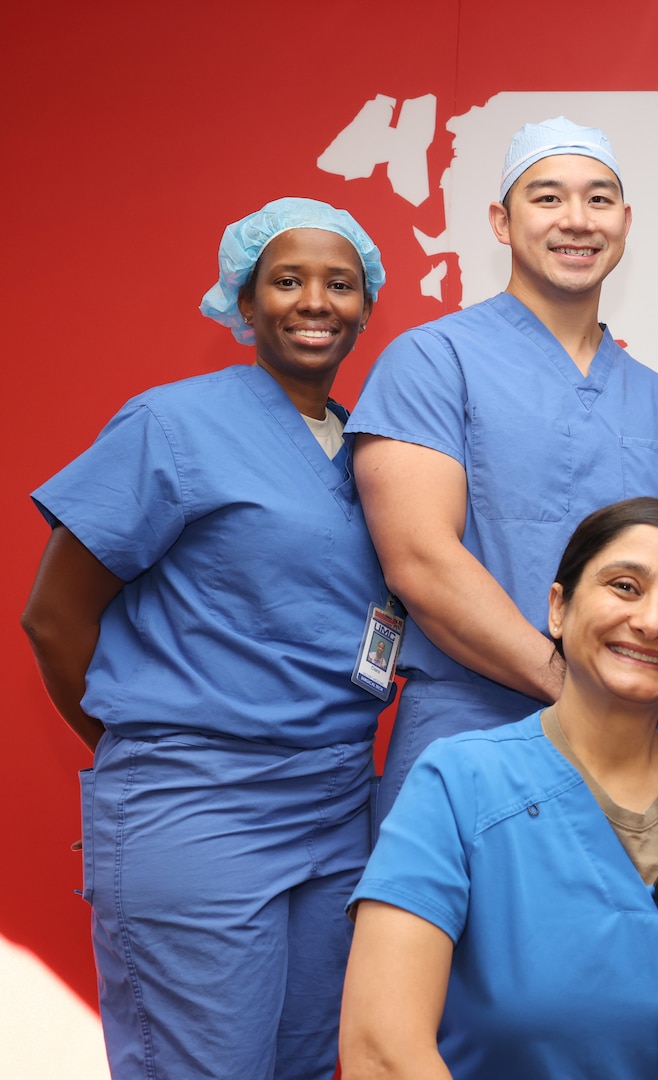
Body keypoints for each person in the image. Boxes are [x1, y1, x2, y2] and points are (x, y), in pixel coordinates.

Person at [21, 198, 388, 1079]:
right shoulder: (172, 424)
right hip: (197, 806)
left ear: (366, 305)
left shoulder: (374, 449)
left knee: (308, 1063)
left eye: (338, 284)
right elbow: (54, 615)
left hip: (337, 809)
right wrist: (145, 760)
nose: (314, 302)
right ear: (244, 299)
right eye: (287, 280)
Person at [340, 498, 658, 1079]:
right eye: (625, 586)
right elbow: (382, 1052)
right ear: (558, 608)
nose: (652, 621)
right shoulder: (460, 784)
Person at [347, 117, 658, 822]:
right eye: (547, 198)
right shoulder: (434, 361)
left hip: (625, 746)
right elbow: (421, 560)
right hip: (472, 731)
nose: (576, 220)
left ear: (624, 223)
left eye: (598, 200)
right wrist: (576, 690)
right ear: (502, 222)